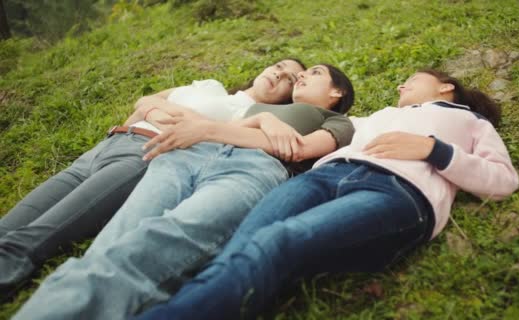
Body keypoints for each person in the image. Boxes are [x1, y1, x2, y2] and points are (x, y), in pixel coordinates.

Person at [134, 68, 519, 320]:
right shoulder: (377, 115)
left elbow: (503, 180)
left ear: (446, 86)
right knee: (241, 245)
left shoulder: (469, 121)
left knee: (276, 241)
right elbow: (299, 143)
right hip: (323, 178)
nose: (401, 84)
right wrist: (244, 120)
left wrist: (433, 150)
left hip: (395, 192)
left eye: (412, 79)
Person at [13, 64, 356, 320]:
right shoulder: (255, 107)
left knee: (157, 242)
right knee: (109, 246)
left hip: (251, 169)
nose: (300, 77)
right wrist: (258, 122)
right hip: (187, 154)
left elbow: (296, 150)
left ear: (336, 93)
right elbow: (222, 128)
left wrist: (229, 128)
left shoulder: (340, 123)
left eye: (313, 73)